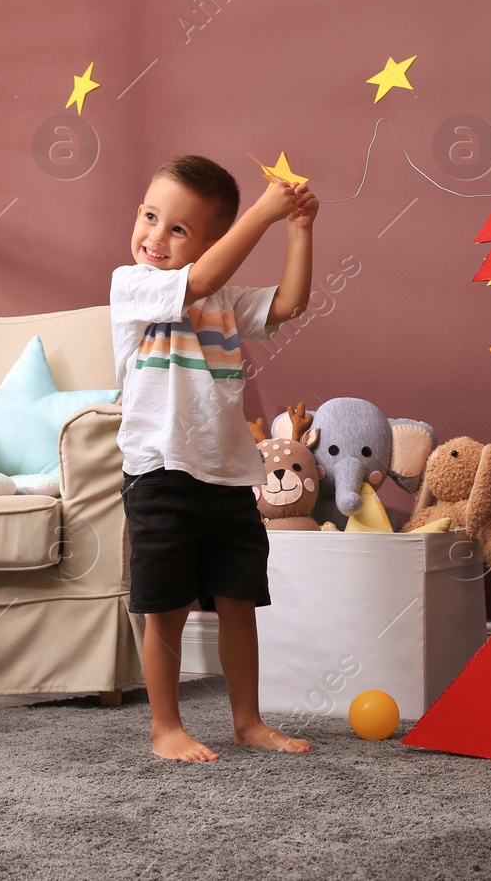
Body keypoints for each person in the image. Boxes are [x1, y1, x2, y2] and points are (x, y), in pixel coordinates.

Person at [110, 154, 318, 762]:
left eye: (178, 228)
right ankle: (165, 727)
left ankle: (247, 720)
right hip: (160, 474)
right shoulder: (133, 285)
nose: (154, 236)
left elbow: (290, 304)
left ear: (213, 240)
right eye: (151, 216)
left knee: (238, 603)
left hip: (229, 477)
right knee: (166, 609)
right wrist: (264, 208)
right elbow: (194, 283)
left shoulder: (225, 299)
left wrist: (298, 228)